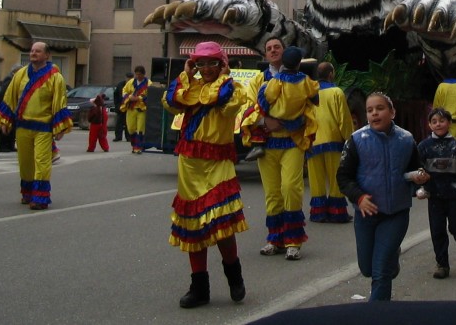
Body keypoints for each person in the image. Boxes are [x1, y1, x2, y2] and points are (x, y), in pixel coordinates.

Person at [163, 42, 250, 309]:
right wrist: (186, 75)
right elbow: (170, 103)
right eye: (201, 63)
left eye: (212, 62)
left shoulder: (232, 88)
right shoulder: (189, 87)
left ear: (222, 64)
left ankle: (233, 275)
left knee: (221, 220)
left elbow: (227, 107)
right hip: (190, 164)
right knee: (192, 225)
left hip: (218, 163)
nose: (207, 68)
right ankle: (199, 286)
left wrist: (224, 76)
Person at [337, 92, 429, 301]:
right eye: (370, 110)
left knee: (380, 273)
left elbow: (415, 169)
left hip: (396, 213)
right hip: (366, 214)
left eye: (380, 108)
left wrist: (420, 180)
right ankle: (391, 258)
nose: (374, 113)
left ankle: (377, 316)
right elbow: (343, 177)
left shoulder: (406, 140)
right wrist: (359, 198)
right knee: (367, 268)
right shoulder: (356, 140)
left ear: (392, 112)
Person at [242, 41, 318, 260]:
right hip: (266, 143)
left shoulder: (302, 80)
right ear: (265, 55)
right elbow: (247, 107)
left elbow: (311, 107)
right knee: (272, 192)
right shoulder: (259, 79)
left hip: (292, 141)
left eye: (277, 47)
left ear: (284, 53)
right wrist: (265, 122)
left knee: (291, 187)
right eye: (269, 48)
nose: (273, 50)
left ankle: (293, 240)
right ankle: (274, 238)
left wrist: (291, 121)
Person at [0, 41, 72, 209]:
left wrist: (60, 127)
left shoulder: (55, 77)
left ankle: (40, 198)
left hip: (43, 127)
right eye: (32, 51)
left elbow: (59, 102)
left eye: (37, 51)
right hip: (22, 126)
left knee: (42, 162)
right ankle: (28, 193)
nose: (33, 53)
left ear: (47, 55)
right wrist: (5, 121)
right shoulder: (20, 74)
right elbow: (10, 97)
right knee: (25, 162)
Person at [416, 108, 456, 280]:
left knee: (455, 227)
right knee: (437, 231)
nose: (438, 124)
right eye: (434, 121)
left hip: (455, 196)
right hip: (434, 197)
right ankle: (442, 264)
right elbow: (415, 169)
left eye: (442, 121)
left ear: (449, 123)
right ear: (429, 125)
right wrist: (418, 186)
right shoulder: (423, 147)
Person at [306, 61, 354, 223]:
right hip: (333, 141)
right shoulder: (336, 92)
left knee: (316, 180)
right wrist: (349, 139)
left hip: (312, 142)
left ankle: (318, 213)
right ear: (331, 74)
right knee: (335, 178)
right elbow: (344, 120)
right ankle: (337, 212)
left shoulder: (308, 92)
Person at [121, 65, 150, 154]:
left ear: (143, 74)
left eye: (140, 74)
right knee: (130, 128)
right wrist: (129, 97)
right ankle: (134, 145)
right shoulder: (131, 82)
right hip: (131, 108)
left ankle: (138, 147)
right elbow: (124, 91)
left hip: (141, 109)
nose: (138, 76)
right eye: (136, 74)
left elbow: (150, 95)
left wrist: (139, 98)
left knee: (140, 129)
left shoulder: (148, 83)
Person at [112, 74, 130, 142]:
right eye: (128, 79)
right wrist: (117, 105)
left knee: (128, 123)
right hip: (121, 107)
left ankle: (128, 137)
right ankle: (118, 137)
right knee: (119, 123)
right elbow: (116, 95)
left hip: (129, 107)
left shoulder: (133, 85)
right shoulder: (120, 85)